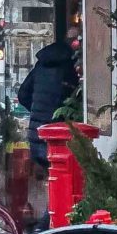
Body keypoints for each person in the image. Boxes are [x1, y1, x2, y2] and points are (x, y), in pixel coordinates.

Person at [16, 41, 78, 171]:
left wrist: (37, 112)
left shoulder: (41, 65)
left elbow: (22, 95)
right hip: (57, 135)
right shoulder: (70, 67)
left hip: (37, 133)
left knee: (52, 176)